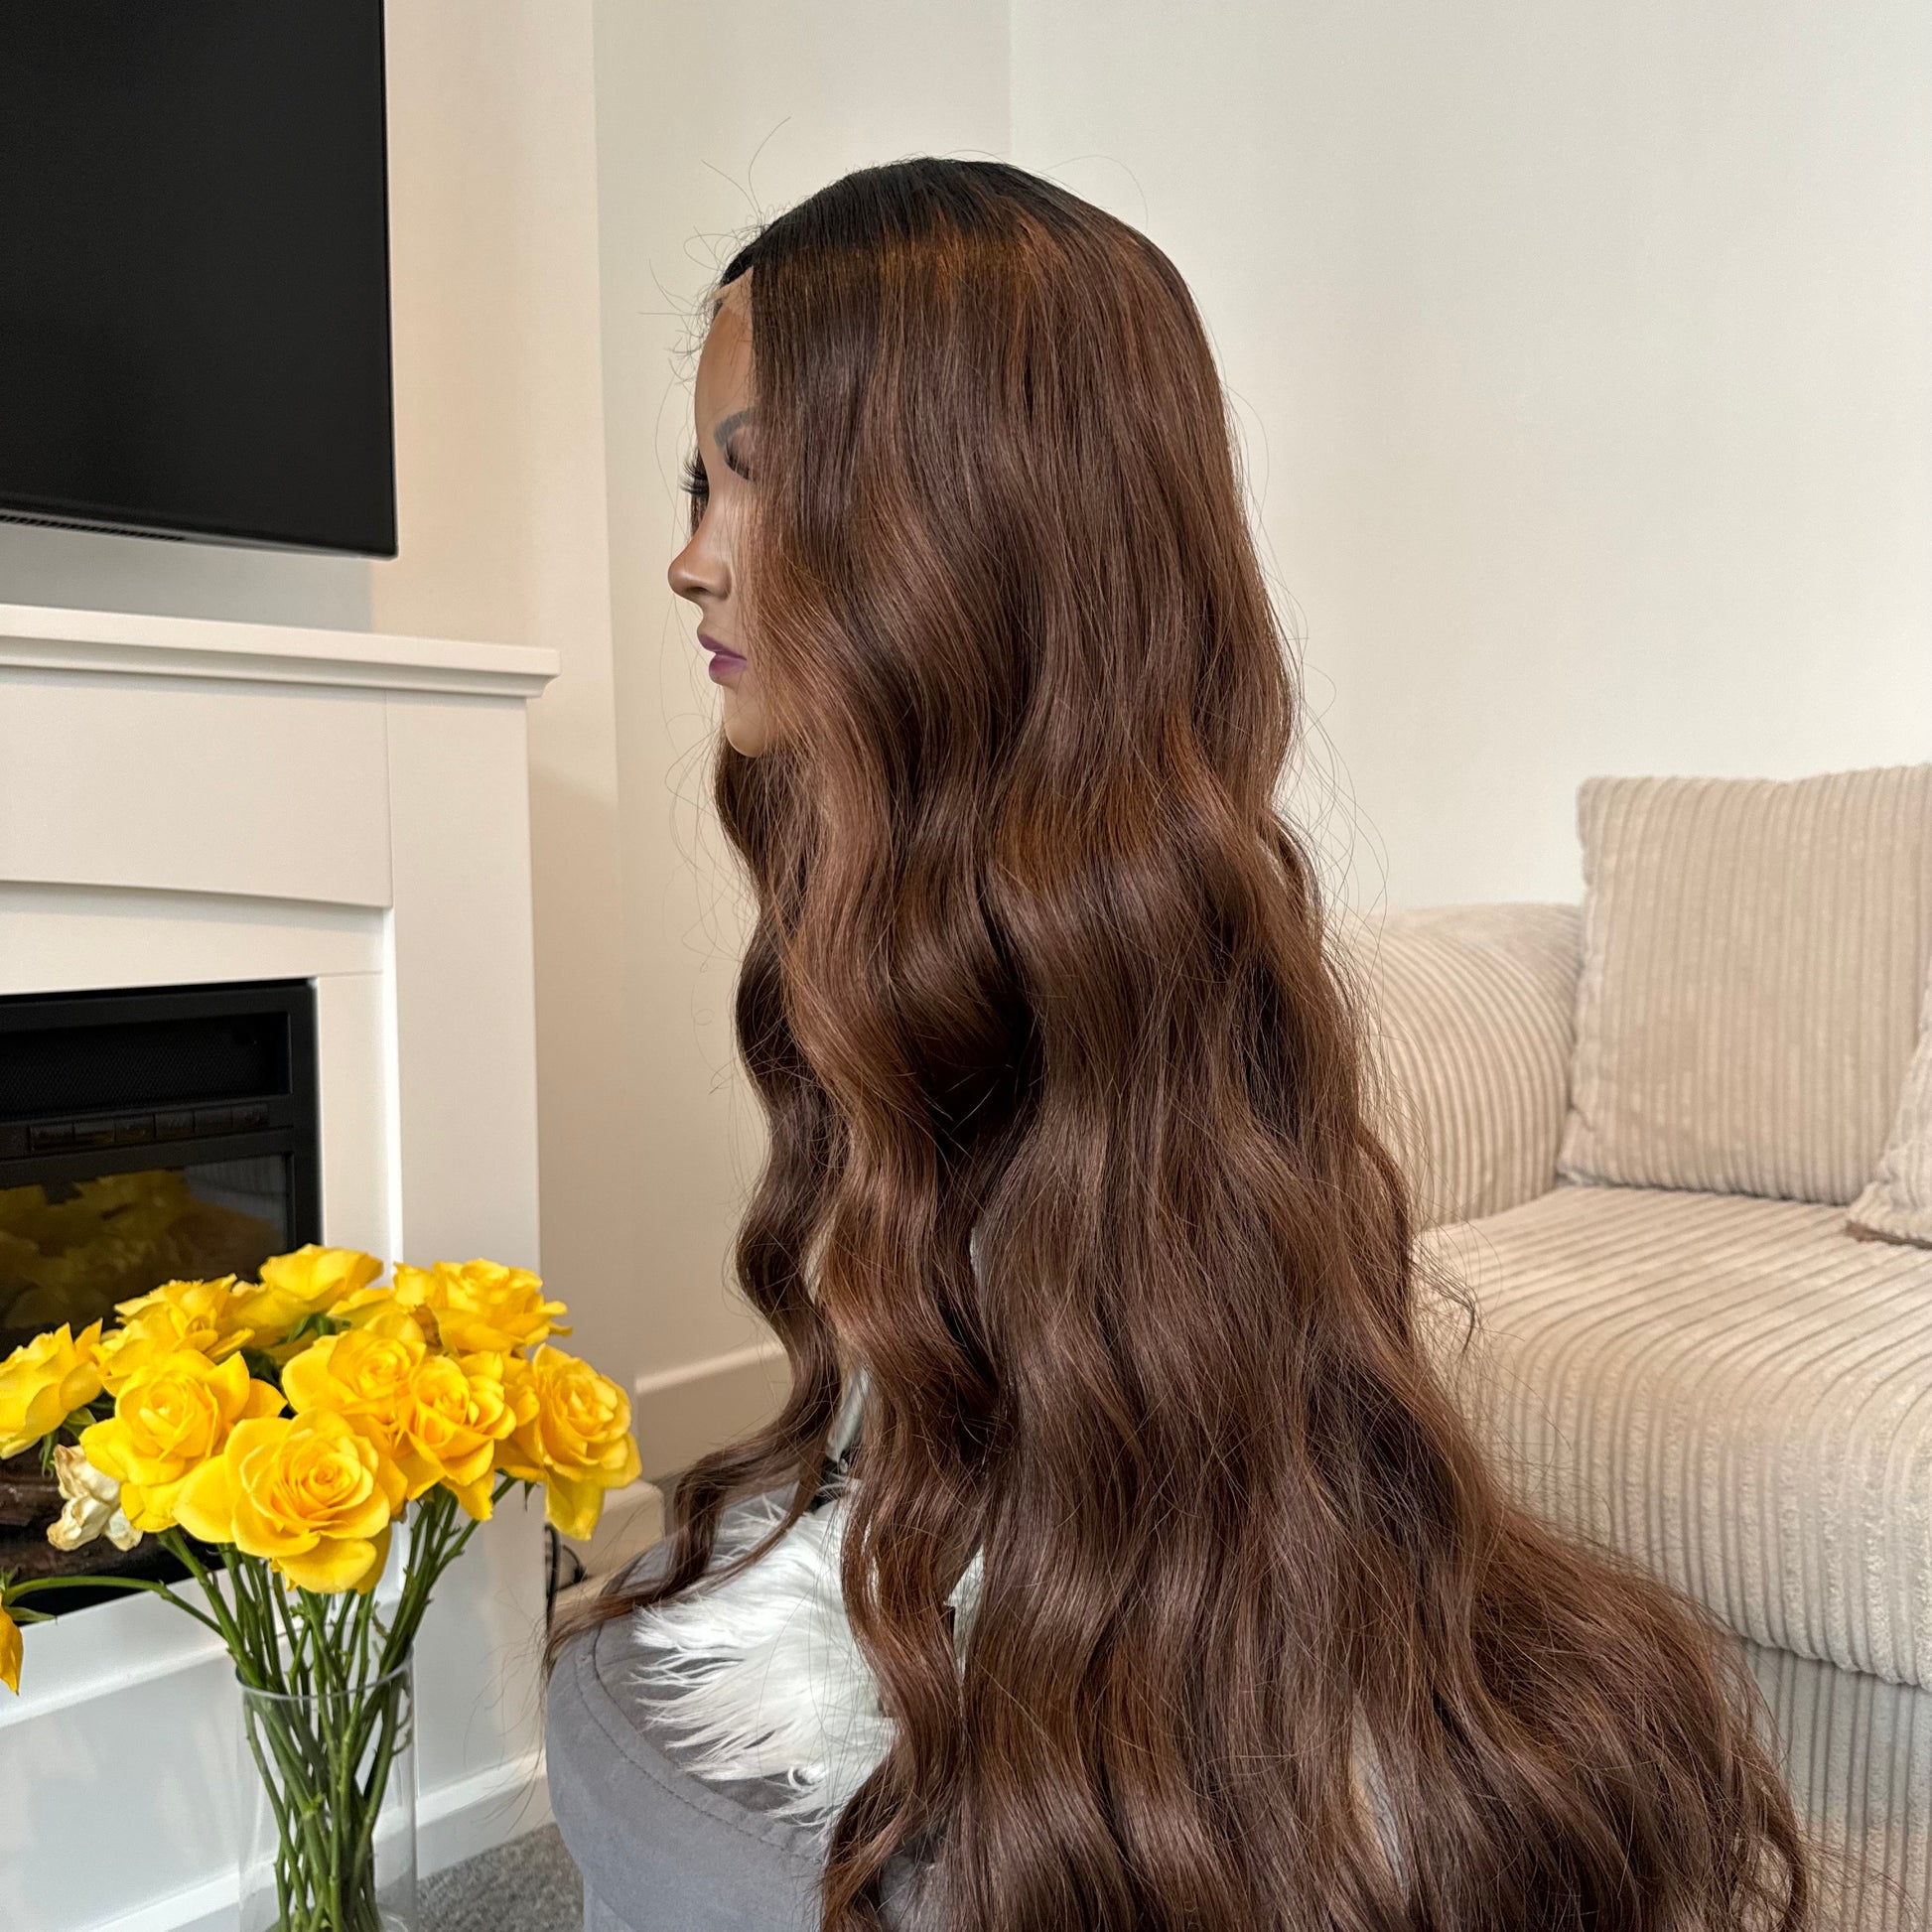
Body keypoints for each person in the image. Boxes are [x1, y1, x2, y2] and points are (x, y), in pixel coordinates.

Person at [546, 157, 1813, 1932]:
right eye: (700, 480)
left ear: (975, 513)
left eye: (763, 480)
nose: (690, 557)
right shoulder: (889, 909)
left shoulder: (1101, 970)